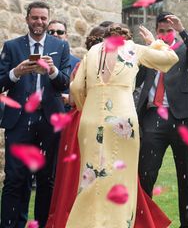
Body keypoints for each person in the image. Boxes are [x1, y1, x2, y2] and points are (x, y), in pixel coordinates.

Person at [46, 25, 170, 228]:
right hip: (122, 120)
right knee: (121, 178)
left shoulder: (93, 52)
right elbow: (169, 59)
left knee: (90, 178)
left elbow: (76, 88)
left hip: (91, 119)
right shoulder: (133, 48)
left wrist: (89, 105)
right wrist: (153, 42)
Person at [0, 1, 71, 228]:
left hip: (49, 121)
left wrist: (53, 71)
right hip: (19, 121)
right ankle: (11, 224)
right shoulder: (12, 46)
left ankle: (43, 224)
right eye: (35, 18)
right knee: (14, 178)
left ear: (48, 20)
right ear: (27, 19)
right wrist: (15, 72)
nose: (39, 22)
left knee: (46, 179)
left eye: (43, 18)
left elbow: (65, 83)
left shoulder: (60, 47)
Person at [136, 12, 188, 228]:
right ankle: (144, 221)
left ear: (174, 31)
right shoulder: (148, 51)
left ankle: (186, 223)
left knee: (186, 172)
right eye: (162, 31)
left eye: (170, 30)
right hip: (152, 116)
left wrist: (183, 29)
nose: (165, 35)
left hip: (182, 116)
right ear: (156, 31)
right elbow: (136, 78)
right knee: (145, 172)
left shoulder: (184, 49)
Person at [47, 19, 80, 110]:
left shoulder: (77, 63)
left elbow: (80, 90)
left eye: (60, 32)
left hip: (65, 113)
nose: (55, 34)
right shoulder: (40, 59)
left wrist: (69, 97)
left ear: (66, 36)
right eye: (51, 32)